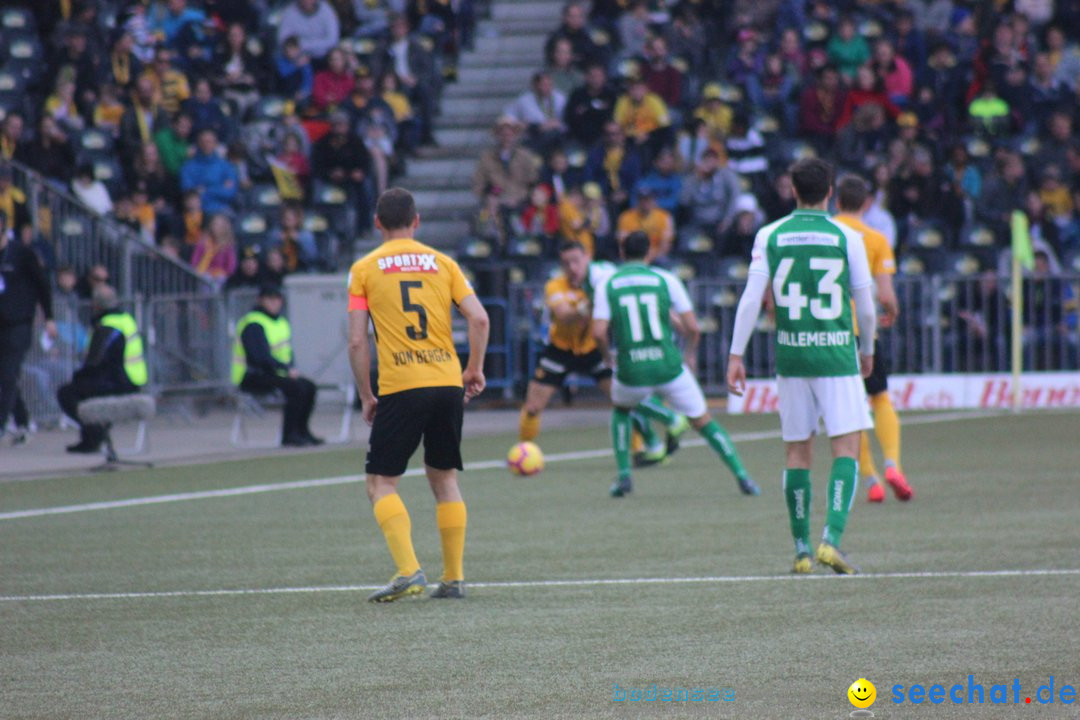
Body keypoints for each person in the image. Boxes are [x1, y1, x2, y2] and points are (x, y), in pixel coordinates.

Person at [726, 158, 877, 575]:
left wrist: (735, 355)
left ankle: (800, 550)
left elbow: (752, 299)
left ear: (792, 191)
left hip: (792, 355)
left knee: (797, 450)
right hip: (836, 354)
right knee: (847, 446)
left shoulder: (769, 234)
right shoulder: (847, 236)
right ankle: (831, 539)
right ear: (830, 192)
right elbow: (865, 306)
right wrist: (867, 349)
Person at [347, 188, 490, 602]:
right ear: (417, 221)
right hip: (447, 382)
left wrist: (366, 394)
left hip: (403, 385)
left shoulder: (364, 269)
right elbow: (479, 318)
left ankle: (409, 570)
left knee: (380, 482)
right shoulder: (443, 263)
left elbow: (358, 342)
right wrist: (473, 369)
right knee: (443, 477)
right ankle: (454, 578)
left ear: (377, 223)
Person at [592, 231, 759, 498]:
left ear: (622, 254)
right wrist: (690, 353)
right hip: (668, 366)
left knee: (622, 410)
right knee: (704, 421)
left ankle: (624, 476)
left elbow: (599, 332)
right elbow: (693, 328)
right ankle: (743, 477)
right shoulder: (665, 280)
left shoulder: (607, 284)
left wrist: (606, 356)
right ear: (650, 253)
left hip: (631, 369)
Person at [519, 240, 685, 466]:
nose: (572, 268)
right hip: (560, 350)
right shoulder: (555, 285)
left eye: (576, 261)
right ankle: (523, 452)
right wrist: (591, 302)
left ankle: (641, 449)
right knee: (532, 406)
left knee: (625, 398)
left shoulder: (604, 280)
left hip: (594, 349)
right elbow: (564, 314)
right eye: (566, 263)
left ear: (587, 258)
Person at [833, 175, 914, 503]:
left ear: (836, 201)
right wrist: (892, 310)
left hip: (832, 332)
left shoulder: (828, 232)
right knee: (879, 397)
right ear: (866, 203)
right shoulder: (876, 238)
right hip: (864, 330)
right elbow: (885, 292)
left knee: (850, 410)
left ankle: (871, 481)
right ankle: (893, 464)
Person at [57, 285, 146, 453]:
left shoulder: (107, 326)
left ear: (96, 305)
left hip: (119, 382)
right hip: (132, 380)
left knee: (67, 393)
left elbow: (96, 362)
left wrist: (78, 378)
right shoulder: (125, 319)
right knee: (83, 388)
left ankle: (94, 435)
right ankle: (92, 436)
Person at [232, 285, 322, 447]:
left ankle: (302, 430)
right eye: (270, 299)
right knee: (296, 389)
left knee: (309, 387)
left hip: (274, 373)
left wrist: (288, 368)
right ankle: (289, 435)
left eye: (277, 299)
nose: (274, 303)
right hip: (252, 375)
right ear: (261, 300)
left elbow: (286, 352)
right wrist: (285, 369)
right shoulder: (253, 324)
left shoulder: (280, 322)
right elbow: (259, 357)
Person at [0, 213, 58, 443]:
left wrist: (49, 317)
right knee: (5, 378)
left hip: (18, 323)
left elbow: (42, 284)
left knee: (8, 373)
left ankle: (2, 424)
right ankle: (22, 421)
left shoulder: (21, 253)